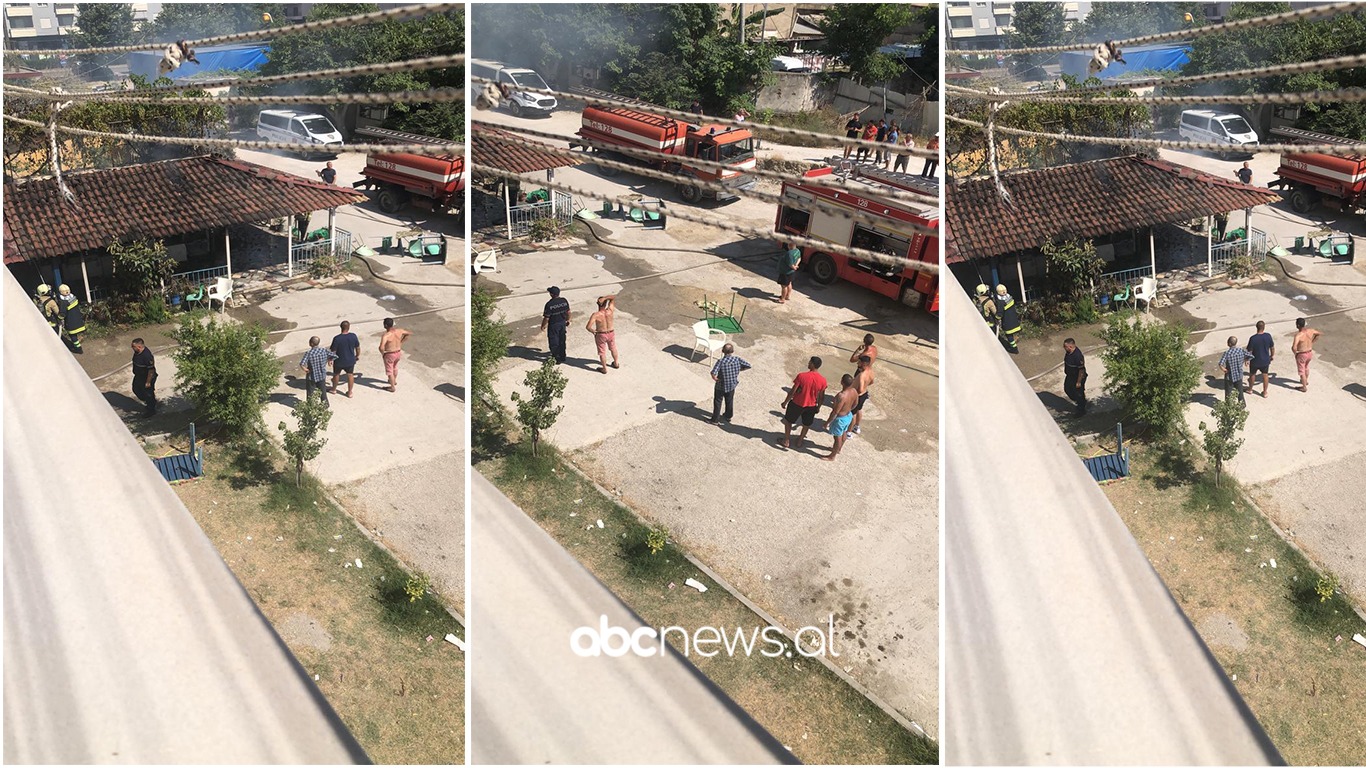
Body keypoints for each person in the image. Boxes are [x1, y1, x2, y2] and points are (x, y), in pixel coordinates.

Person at [778, 356, 828, 449]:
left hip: (797, 403)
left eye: (809, 362)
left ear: (813, 364)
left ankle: (786, 440)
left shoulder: (801, 376)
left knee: (788, 421)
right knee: (806, 424)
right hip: (811, 405)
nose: (808, 363)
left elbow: (792, 391)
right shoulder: (823, 380)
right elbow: (821, 397)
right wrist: (818, 407)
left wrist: (785, 402)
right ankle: (800, 441)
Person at [709, 343, 751, 424]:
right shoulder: (737, 359)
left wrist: (716, 379)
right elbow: (748, 365)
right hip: (732, 385)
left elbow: (713, 373)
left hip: (721, 385)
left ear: (722, 351)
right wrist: (739, 369)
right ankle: (728, 416)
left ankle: (715, 419)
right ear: (732, 351)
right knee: (729, 400)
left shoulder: (721, 361)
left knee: (718, 401)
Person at [822, 374, 859, 462]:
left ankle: (832, 456)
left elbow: (835, 411)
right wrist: (849, 409)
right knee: (844, 433)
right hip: (848, 415)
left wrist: (827, 422)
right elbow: (856, 403)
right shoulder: (854, 391)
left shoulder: (841, 395)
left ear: (842, 382)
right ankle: (838, 449)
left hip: (840, 419)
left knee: (837, 437)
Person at [299, 335, 337, 407]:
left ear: (311, 344)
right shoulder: (324, 350)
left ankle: (311, 406)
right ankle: (325, 404)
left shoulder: (309, 353)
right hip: (321, 375)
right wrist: (330, 360)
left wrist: (305, 369)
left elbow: (302, 364)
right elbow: (334, 356)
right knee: (322, 391)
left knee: (310, 393)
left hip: (312, 376)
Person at [585, 295, 619, 373]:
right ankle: (616, 363)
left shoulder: (596, 315)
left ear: (598, 304)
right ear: (606, 303)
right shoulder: (610, 311)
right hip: (611, 332)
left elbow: (588, 327)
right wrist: (606, 298)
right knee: (613, 348)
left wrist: (593, 331)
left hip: (601, 334)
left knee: (602, 352)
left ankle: (604, 368)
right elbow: (613, 297)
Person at [329, 320, 361, 398]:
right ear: (349, 327)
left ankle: (334, 389)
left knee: (336, 374)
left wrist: (330, 359)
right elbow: (358, 347)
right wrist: (357, 356)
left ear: (341, 327)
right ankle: (350, 392)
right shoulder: (353, 336)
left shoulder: (337, 338)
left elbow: (333, 351)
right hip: (350, 360)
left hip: (339, 361)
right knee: (350, 375)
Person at [379, 317, 412, 393]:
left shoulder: (386, 335)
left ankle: (392, 387)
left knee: (389, 371)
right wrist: (401, 342)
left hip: (390, 353)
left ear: (386, 325)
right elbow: (408, 333)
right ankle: (394, 381)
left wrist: (383, 353)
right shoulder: (399, 331)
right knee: (395, 367)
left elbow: (381, 347)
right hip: (398, 352)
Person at [541, 286, 571, 364]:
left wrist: (543, 325)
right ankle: (563, 356)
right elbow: (568, 312)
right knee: (562, 340)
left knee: (554, 341)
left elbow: (547, 318)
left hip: (554, 325)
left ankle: (556, 358)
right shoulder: (564, 301)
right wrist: (568, 319)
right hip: (562, 323)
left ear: (551, 294)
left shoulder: (549, 304)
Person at [1292, 317, 1322, 392]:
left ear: (1298, 325)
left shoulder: (1298, 335)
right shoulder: (1310, 331)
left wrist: (1295, 353)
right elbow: (1318, 333)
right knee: (1306, 367)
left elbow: (1294, 347)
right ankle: (1306, 381)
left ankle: (1304, 387)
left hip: (1302, 353)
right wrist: (1312, 341)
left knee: (1301, 371)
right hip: (1309, 352)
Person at [1245, 320, 1274, 398]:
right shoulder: (1268, 336)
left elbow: (1249, 350)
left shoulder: (1253, 338)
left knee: (1252, 374)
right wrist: (1272, 356)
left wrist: (1247, 359)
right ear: (1264, 327)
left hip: (1255, 360)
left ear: (1256, 327)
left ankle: (1250, 389)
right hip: (1265, 360)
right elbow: (1272, 347)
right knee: (1265, 375)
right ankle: (1265, 392)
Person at [848, 355, 875, 436]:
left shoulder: (861, 375)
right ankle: (856, 426)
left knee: (852, 414)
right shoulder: (871, 371)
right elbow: (872, 381)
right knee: (859, 410)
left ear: (863, 363)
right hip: (864, 394)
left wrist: (854, 391)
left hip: (858, 396)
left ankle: (849, 432)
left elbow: (860, 389)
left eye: (859, 362)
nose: (857, 363)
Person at [1218, 335, 1249, 405]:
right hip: (1239, 374)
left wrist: (1225, 370)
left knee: (1228, 392)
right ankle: (1242, 404)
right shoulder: (1241, 350)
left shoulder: (1227, 353)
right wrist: (1246, 360)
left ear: (1229, 344)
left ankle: (1229, 405)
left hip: (1230, 376)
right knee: (1240, 391)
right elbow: (1250, 355)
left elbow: (1220, 364)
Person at [130, 338, 158, 417]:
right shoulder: (137, 352)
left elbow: (151, 370)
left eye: (133, 346)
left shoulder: (147, 356)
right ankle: (150, 401)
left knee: (148, 394)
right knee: (135, 389)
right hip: (138, 376)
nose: (132, 348)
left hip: (146, 377)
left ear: (139, 346)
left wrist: (148, 381)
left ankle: (151, 410)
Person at [993, 285, 1022, 354]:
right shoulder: (1009, 297)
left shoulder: (1000, 302)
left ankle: (1014, 348)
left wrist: (996, 318)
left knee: (1009, 335)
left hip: (1007, 321)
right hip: (1013, 319)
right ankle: (1014, 345)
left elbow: (1000, 313)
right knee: (1011, 334)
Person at [57, 284, 86, 354]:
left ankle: (78, 349)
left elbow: (63, 313)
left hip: (70, 321)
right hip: (78, 319)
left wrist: (59, 318)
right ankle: (78, 344)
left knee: (73, 336)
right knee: (76, 333)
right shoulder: (73, 298)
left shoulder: (63, 302)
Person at [1063, 338, 1087, 416]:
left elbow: (1081, 370)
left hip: (1077, 377)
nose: (1064, 347)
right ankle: (1080, 401)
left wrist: (1079, 381)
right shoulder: (1068, 352)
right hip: (1070, 376)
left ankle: (1081, 410)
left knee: (1078, 393)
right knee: (1067, 389)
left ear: (1070, 346)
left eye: (1065, 346)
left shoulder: (1077, 356)